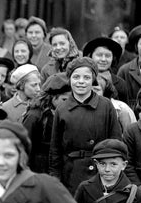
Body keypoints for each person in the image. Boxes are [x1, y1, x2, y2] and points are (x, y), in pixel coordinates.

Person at [50, 57, 122, 193]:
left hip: (100, 172)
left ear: (93, 80)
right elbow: (55, 149)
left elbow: (116, 141)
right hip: (71, 173)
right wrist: (56, 177)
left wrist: (112, 171)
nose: (81, 82)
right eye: (76, 77)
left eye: (86, 78)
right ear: (69, 80)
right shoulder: (62, 109)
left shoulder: (105, 105)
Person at [22, 73, 71, 173]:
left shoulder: (66, 113)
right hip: (39, 167)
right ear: (52, 97)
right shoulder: (35, 115)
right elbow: (25, 145)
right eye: (64, 99)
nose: (67, 103)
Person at [83, 37, 129, 102]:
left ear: (113, 58)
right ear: (91, 56)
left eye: (107, 56)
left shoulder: (120, 84)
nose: (103, 59)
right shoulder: (82, 79)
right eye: (99, 55)